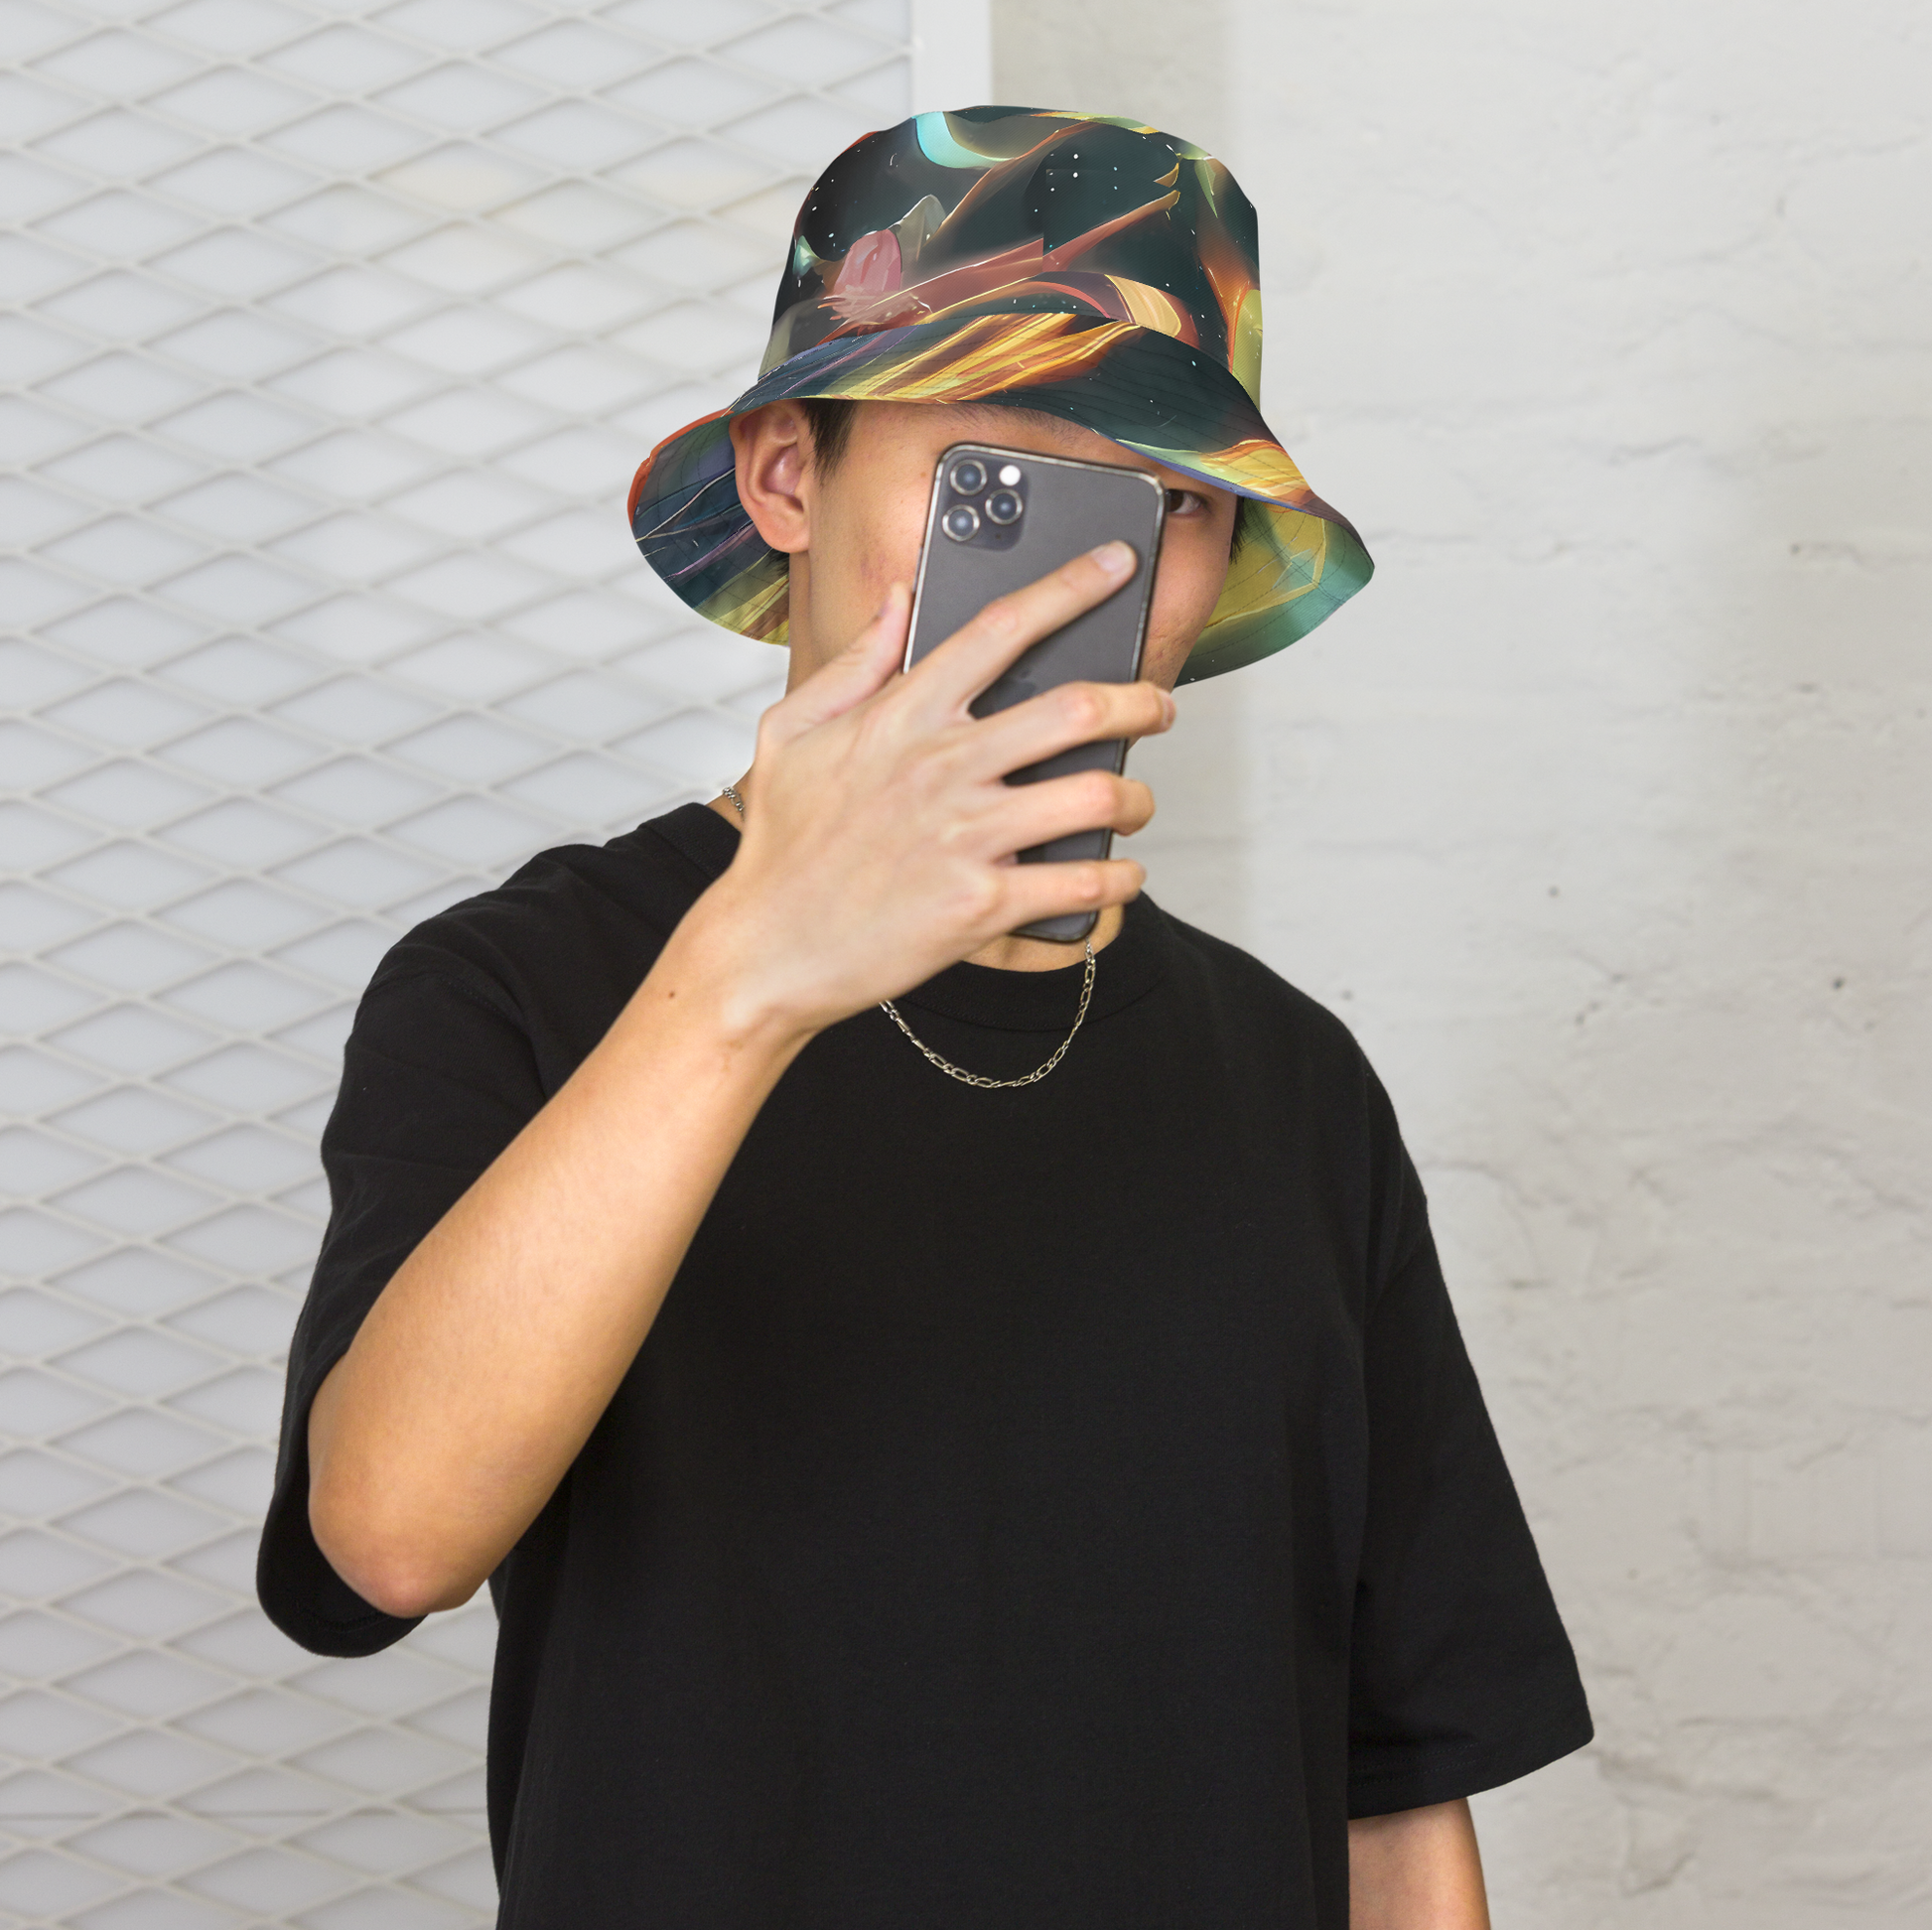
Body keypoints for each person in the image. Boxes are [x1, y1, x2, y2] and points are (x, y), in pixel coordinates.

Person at [260, 107, 1590, 1928]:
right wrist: (752, 973)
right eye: (999, 485)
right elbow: (386, 1538)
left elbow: (1395, 1787)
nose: (1089, 574)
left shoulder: (1291, 1084)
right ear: (785, 479)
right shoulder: (527, 984)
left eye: (1168, 505)